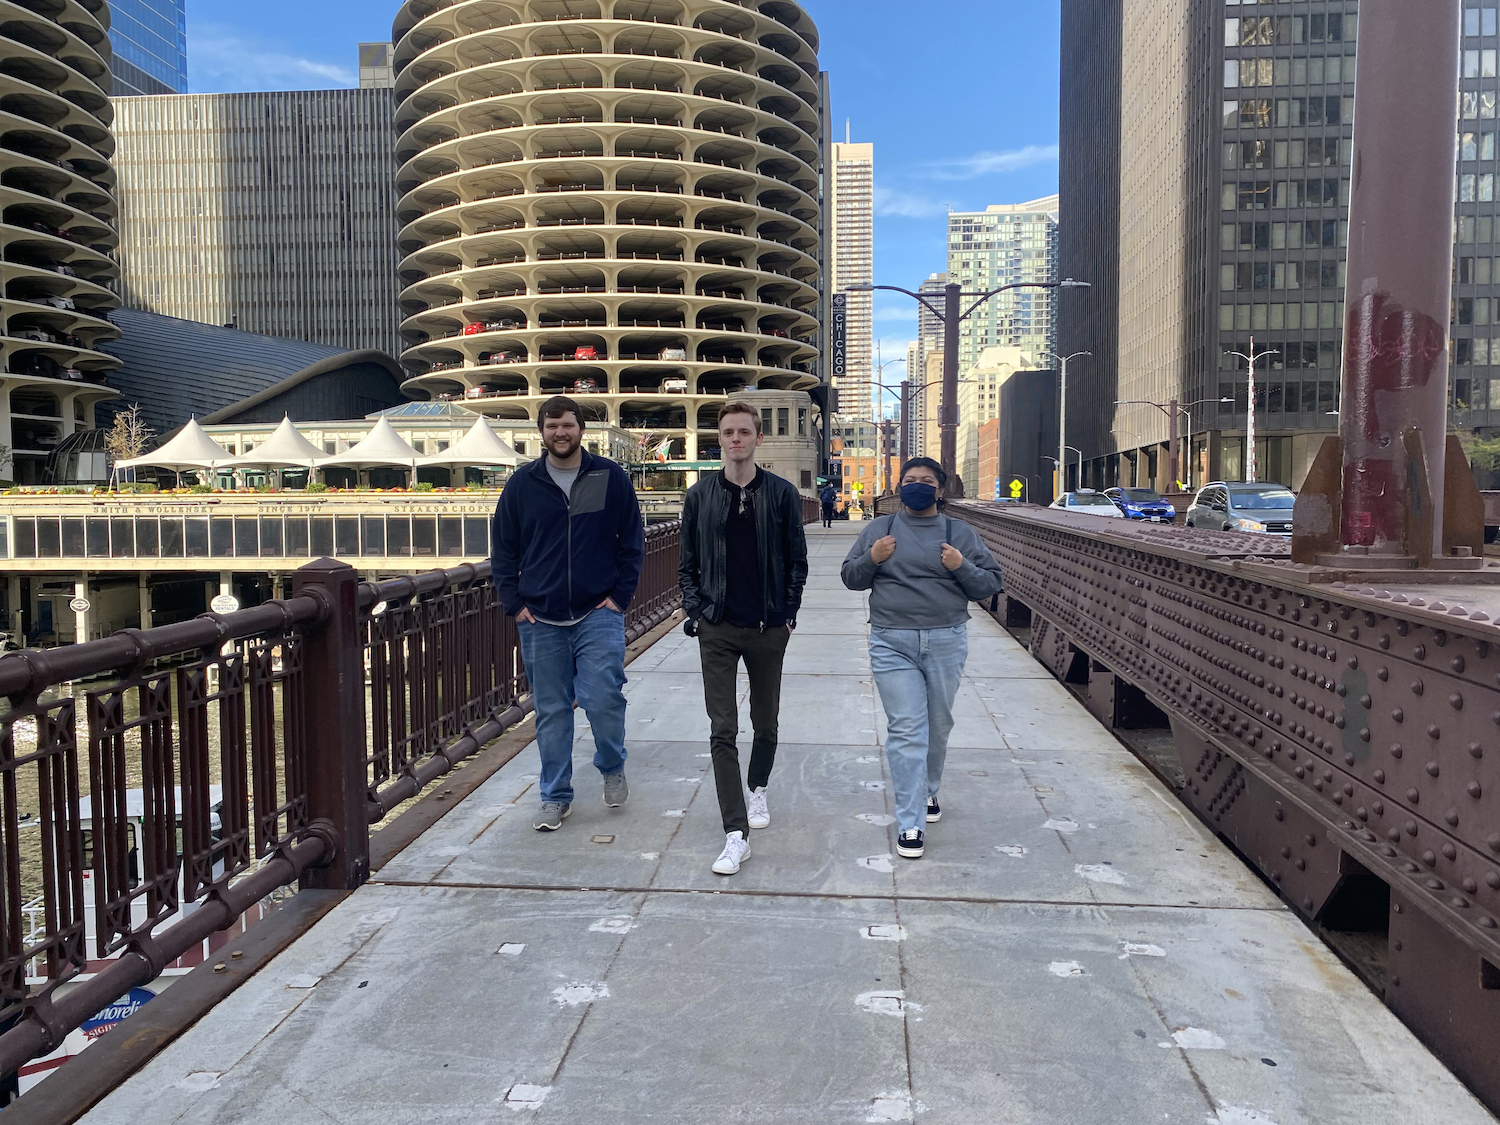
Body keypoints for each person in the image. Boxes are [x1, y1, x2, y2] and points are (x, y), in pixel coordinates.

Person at [491, 395, 644, 832]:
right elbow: (503, 550)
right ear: (541, 432)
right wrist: (515, 606)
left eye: (568, 425)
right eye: (552, 425)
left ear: (582, 430)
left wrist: (618, 598)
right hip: (540, 617)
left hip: (598, 612)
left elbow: (631, 542)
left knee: (603, 698)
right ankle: (555, 797)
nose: (561, 433)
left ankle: (612, 764)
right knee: (553, 711)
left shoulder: (608, 476)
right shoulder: (523, 485)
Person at [840, 457, 1002, 860]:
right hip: (891, 640)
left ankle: (929, 789)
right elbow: (850, 578)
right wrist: (872, 558)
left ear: (941, 490)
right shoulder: (881, 530)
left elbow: (991, 583)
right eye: (910, 481)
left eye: (926, 481)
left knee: (938, 725)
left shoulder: (959, 533)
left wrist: (961, 566)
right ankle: (910, 822)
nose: (917, 486)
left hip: (946, 639)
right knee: (908, 729)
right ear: (899, 487)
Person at [679, 401, 809, 875]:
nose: (736, 439)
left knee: (766, 720)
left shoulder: (780, 494)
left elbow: (797, 559)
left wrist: (787, 615)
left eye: (744, 432)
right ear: (720, 439)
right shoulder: (699, 496)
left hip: (767, 626)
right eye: (728, 432)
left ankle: (758, 788)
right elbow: (687, 564)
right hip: (717, 626)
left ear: (757, 438)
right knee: (722, 728)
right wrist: (697, 611)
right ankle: (736, 833)